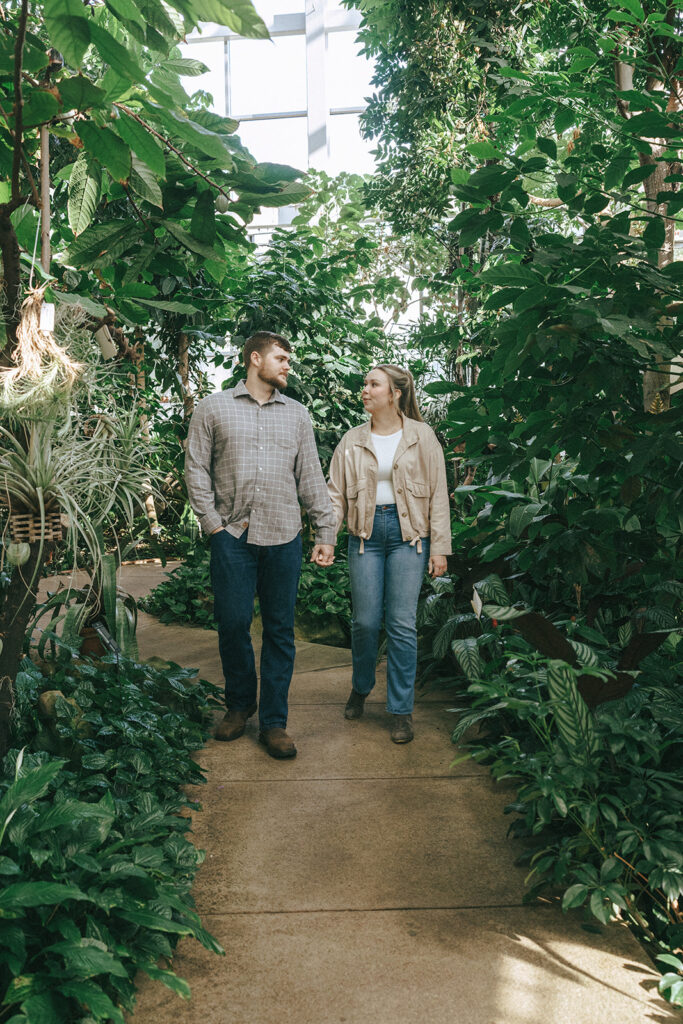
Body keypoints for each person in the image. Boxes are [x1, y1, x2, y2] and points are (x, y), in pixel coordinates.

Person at [185, 331, 335, 759]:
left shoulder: (297, 415)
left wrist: (325, 532)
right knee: (232, 624)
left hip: (284, 535)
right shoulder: (213, 408)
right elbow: (195, 468)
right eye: (282, 358)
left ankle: (273, 722)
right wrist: (212, 524)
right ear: (255, 358)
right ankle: (238, 705)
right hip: (232, 536)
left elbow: (310, 477)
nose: (288, 365)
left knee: (280, 631)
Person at [327, 364, 451, 744]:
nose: (365, 390)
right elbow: (334, 495)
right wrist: (326, 538)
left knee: (401, 624)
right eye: (365, 384)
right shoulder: (352, 440)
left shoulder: (421, 436)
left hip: (408, 539)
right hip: (365, 537)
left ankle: (400, 710)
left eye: (373, 384)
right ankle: (361, 686)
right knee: (364, 622)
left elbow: (438, 494)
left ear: (395, 393)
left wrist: (440, 548)